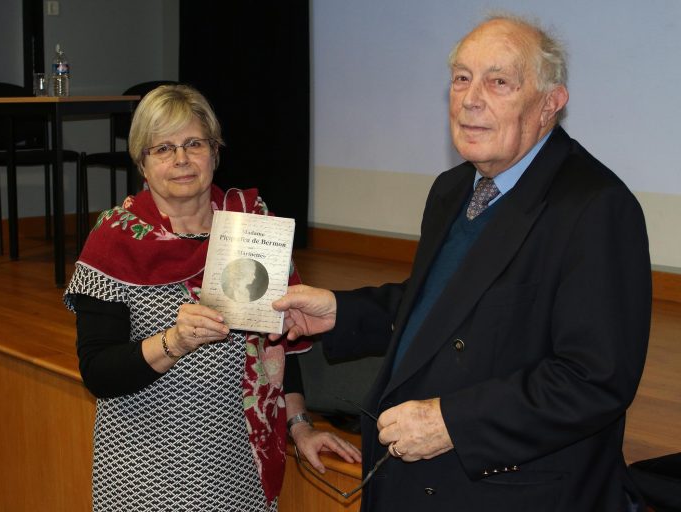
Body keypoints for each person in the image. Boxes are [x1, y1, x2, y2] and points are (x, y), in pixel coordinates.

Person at [271, 14, 652, 512]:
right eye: (461, 79)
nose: (471, 99)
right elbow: (443, 305)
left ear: (549, 104)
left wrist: (452, 423)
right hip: (421, 482)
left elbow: (594, 379)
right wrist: (341, 311)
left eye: (499, 82)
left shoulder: (596, 207)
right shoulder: (453, 188)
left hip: (511, 491)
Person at [64, 84, 360, 511]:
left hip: (240, 467)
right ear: (142, 164)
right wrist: (175, 342)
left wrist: (299, 425)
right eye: (163, 148)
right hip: (144, 471)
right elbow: (98, 373)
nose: (181, 159)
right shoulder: (115, 238)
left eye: (194, 144)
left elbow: (280, 348)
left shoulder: (250, 224)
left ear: (215, 152)